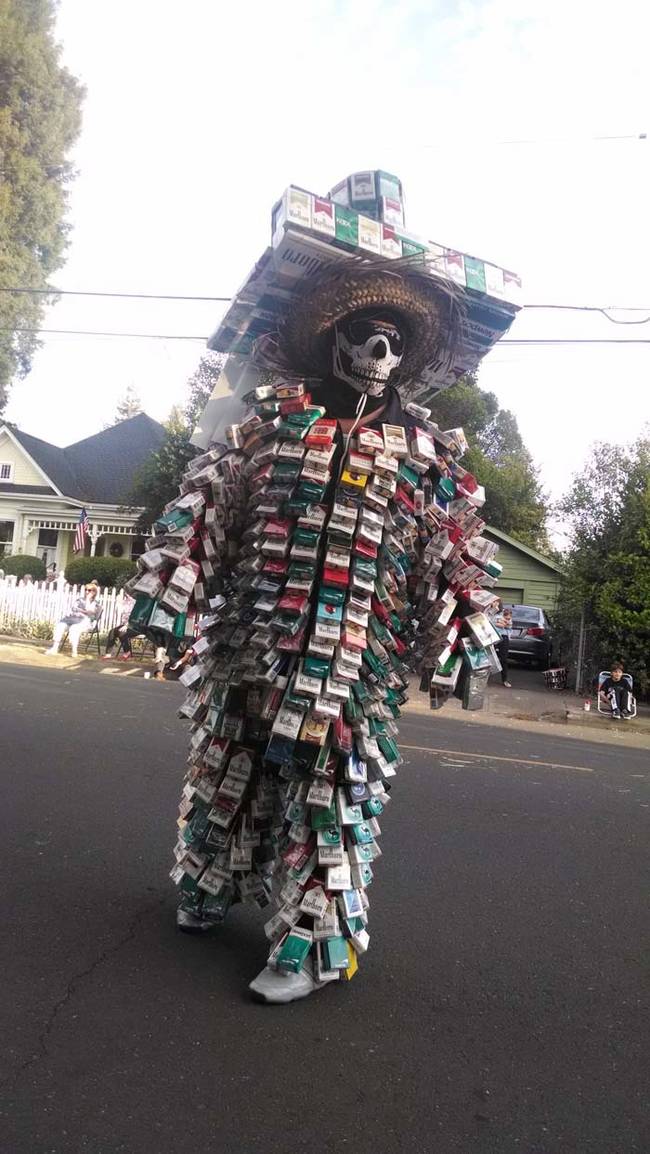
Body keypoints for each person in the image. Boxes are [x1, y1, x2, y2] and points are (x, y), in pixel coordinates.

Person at [127, 171, 518, 1004]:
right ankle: (204, 884)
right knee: (226, 760)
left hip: (352, 660)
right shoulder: (275, 419)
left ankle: (308, 945)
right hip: (250, 637)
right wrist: (175, 583)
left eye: (395, 344)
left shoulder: (427, 453)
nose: (383, 357)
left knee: (330, 793)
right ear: (336, 336)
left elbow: (455, 550)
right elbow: (212, 495)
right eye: (368, 338)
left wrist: (462, 630)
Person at [45, 581, 102, 657]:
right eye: (86, 590)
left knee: (74, 628)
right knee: (60, 625)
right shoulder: (79, 600)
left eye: (89, 590)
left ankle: (74, 650)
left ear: (94, 592)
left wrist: (87, 601)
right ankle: (55, 648)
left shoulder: (96, 603)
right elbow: (74, 608)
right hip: (73, 619)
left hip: (86, 622)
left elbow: (90, 612)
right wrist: (83, 611)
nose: (87, 592)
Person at [103, 593, 136, 660]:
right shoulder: (125, 602)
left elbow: (136, 617)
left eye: (128, 593)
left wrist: (127, 625)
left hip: (135, 626)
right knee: (112, 631)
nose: (126, 594)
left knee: (121, 632)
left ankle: (127, 652)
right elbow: (119, 612)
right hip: (125, 625)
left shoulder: (135, 603)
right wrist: (118, 603)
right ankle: (108, 653)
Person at [488, 600, 513, 688]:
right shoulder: (490, 613)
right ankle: (486, 678)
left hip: (503, 637)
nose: (494, 606)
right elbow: (488, 622)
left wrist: (501, 623)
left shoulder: (505, 613)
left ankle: (505, 680)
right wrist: (499, 623)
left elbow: (508, 624)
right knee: (490, 657)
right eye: (493, 604)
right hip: (493, 636)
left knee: (504, 659)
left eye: (496, 604)